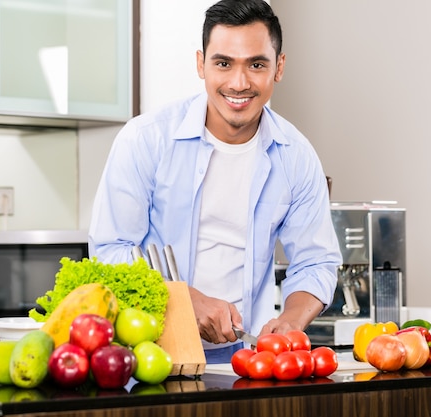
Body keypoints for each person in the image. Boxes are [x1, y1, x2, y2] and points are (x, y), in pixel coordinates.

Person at [88, 0, 342, 363]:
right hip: (145, 356)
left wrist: (290, 321)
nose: (239, 83)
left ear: (279, 67)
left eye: (256, 64)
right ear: (200, 64)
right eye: (223, 63)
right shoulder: (145, 140)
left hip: (244, 359)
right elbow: (110, 251)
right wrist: (184, 299)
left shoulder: (297, 157)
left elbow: (316, 262)